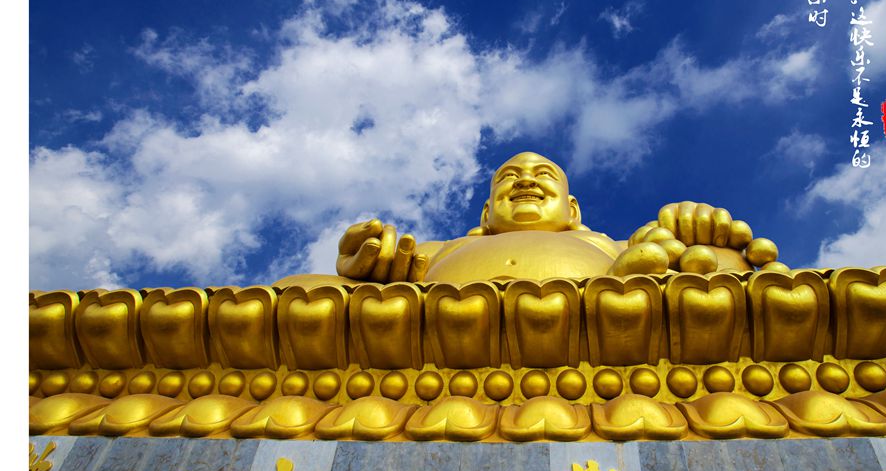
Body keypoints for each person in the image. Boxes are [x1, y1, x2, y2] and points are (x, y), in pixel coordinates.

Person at [276, 151, 779, 287]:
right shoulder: (440, 250)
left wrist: (707, 242)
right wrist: (368, 269)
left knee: (678, 280)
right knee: (294, 290)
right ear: (486, 213)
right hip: (446, 335)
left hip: (600, 331)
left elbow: (728, 276)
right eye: (508, 178)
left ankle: (619, 299)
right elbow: (373, 286)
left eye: (544, 176)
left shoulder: (613, 245)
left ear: (573, 210)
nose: (525, 182)